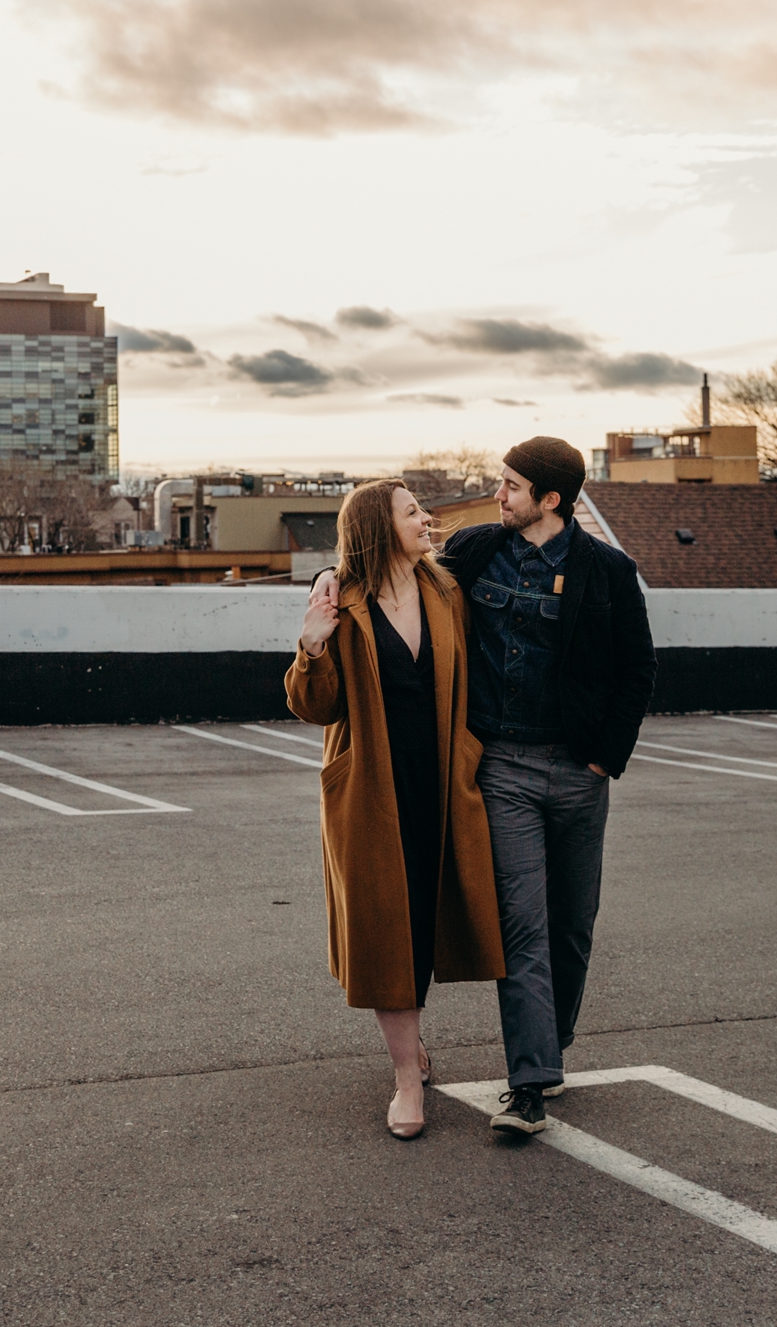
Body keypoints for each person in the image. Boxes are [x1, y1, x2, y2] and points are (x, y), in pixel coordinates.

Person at [438, 437, 655, 1136]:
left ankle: (549, 1047)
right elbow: (394, 573)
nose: (497, 494)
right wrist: (329, 578)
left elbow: (636, 671)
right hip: (503, 769)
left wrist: (603, 760)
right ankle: (528, 1083)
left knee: (572, 925)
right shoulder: (475, 551)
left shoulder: (608, 572)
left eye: (510, 485)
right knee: (522, 925)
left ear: (550, 500)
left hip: (579, 773)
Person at [287, 478, 505, 1140]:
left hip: (441, 782)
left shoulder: (446, 590)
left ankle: (410, 1048)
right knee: (388, 934)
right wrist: (314, 643)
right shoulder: (342, 603)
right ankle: (406, 1079)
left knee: (429, 921)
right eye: (413, 513)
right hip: (370, 793)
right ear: (380, 527)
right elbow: (314, 706)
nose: (427, 520)